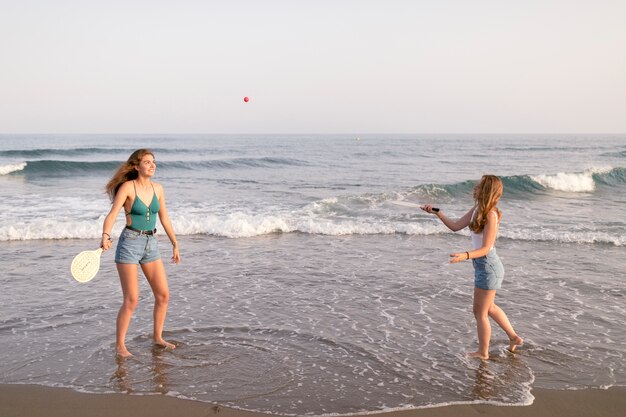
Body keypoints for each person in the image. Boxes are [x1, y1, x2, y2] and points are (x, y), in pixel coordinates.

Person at [421, 174, 523, 360]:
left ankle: (483, 353)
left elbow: (485, 248)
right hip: (483, 265)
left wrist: (465, 255)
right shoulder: (477, 209)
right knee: (488, 307)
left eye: (479, 185)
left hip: (488, 265)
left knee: (480, 312)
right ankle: (514, 337)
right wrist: (437, 212)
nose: (475, 187)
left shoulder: (491, 214)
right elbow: (455, 226)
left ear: (486, 190)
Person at [101, 149, 180, 358]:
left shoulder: (158, 189)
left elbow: (165, 218)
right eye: (147, 162)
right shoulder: (128, 187)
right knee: (132, 299)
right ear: (136, 166)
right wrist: (105, 235)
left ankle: (157, 337)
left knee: (163, 295)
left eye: (154, 162)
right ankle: (120, 345)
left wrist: (175, 243)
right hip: (130, 244)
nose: (152, 165)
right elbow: (111, 216)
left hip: (151, 244)